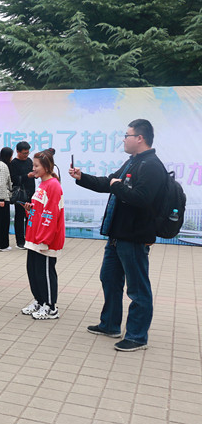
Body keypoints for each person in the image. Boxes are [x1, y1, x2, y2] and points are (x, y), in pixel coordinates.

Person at [69, 119, 164, 351]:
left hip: (133, 237)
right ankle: (110, 324)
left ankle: (137, 336)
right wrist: (82, 177)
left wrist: (117, 185)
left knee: (137, 289)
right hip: (117, 235)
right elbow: (108, 183)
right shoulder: (133, 162)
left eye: (127, 135)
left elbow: (142, 198)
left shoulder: (151, 165)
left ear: (139, 138)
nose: (123, 139)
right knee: (109, 279)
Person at [20, 150, 65, 319]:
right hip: (34, 236)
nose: (33, 169)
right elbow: (40, 210)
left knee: (44, 272)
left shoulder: (53, 185)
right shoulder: (42, 184)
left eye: (36, 166)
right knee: (33, 271)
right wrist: (29, 210)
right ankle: (39, 301)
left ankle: (51, 307)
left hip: (45, 239)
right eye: (33, 165)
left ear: (46, 166)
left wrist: (44, 239)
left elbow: (51, 214)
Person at [10, 141, 35, 250]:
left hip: (31, 192)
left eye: (28, 153)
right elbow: (14, 179)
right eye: (24, 153)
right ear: (18, 151)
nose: (26, 155)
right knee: (19, 217)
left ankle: (29, 239)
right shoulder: (14, 163)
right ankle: (20, 241)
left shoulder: (29, 161)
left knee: (30, 217)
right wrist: (27, 176)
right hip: (20, 194)